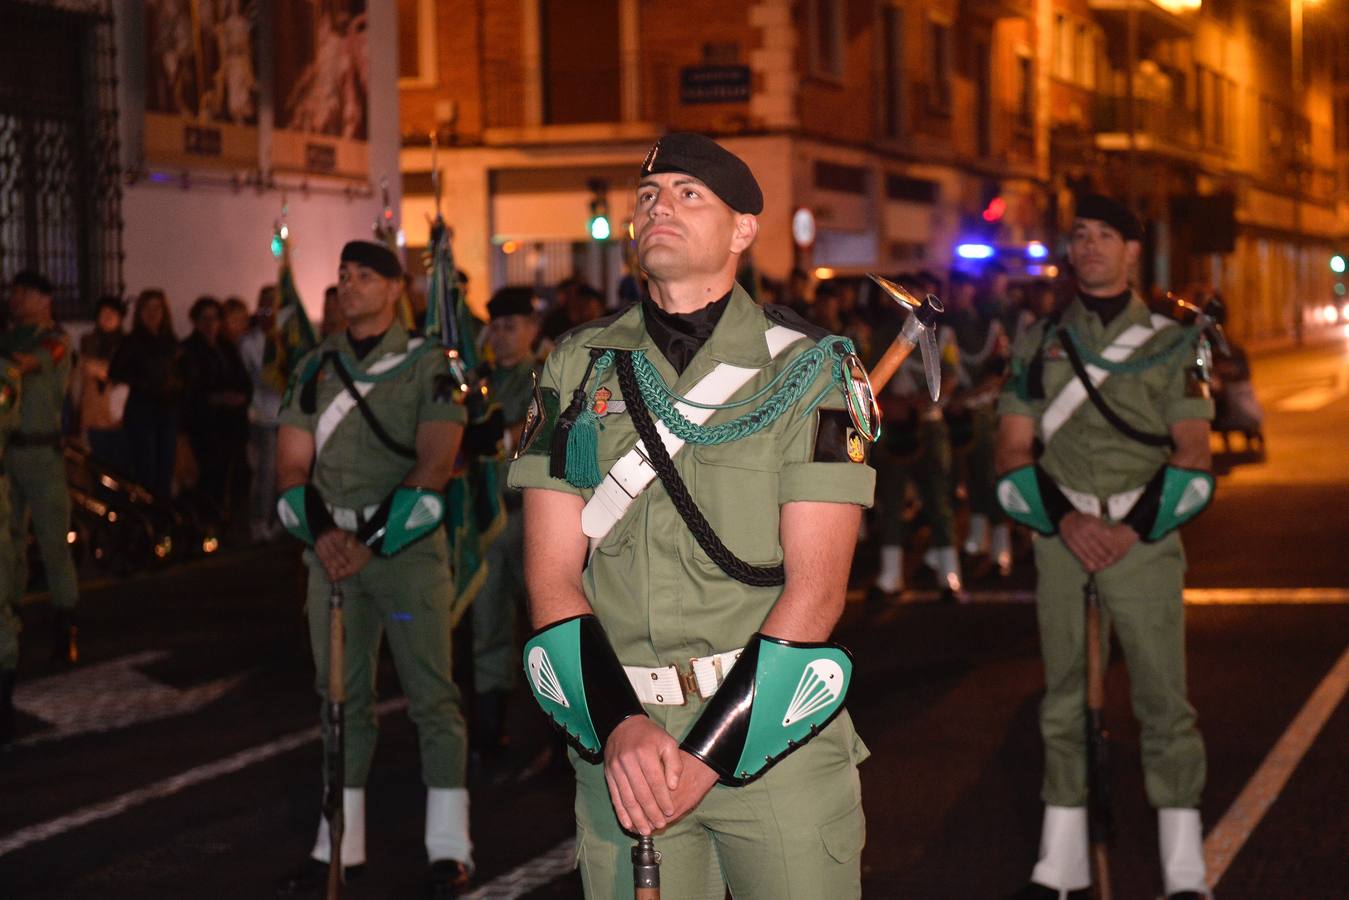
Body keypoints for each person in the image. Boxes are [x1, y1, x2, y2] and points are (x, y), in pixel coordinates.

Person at [510, 133, 875, 897]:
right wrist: (618, 726)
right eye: (648, 195)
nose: (658, 207)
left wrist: (708, 755)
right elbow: (548, 576)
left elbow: (816, 594)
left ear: (743, 228)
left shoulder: (809, 368)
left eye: (688, 193)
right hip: (623, 740)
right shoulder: (577, 366)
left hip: (771, 738)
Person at [996, 194, 1215, 900]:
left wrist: (1125, 529)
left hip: (1142, 539)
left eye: (1104, 236)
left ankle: (1184, 873)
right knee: (1063, 700)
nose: (1088, 246)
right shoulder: (1035, 343)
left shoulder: (1173, 341)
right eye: (1078, 236)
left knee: (1162, 701)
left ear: (1131, 251)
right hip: (1061, 539)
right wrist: (1067, 523)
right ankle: (1056, 867)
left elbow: (1192, 455)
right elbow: (1010, 451)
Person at [275, 240, 473, 898]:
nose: (349, 286)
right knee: (339, 703)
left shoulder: (428, 367)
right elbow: (290, 467)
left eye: (365, 276)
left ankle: (449, 845)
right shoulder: (314, 365)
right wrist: (327, 537)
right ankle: (339, 842)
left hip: (405, 558)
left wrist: (371, 542)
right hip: (329, 554)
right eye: (343, 276)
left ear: (396, 290)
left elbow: (435, 463)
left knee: (431, 699)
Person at [468, 287, 543, 765]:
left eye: (510, 326)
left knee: (550, 630)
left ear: (532, 329)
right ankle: (490, 736)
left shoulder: (548, 372)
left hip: (534, 521)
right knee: (488, 630)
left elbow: (546, 423)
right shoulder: (480, 380)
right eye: (494, 327)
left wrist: (504, 432)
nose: (499, 336)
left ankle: (567, 739)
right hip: (487, 522)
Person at [4, 271, 79, 663]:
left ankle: (66, 621)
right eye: (14, 292)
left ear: (44, 299)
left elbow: (22, 365)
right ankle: (10, 614)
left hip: (41, 453)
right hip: (7, 453)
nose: (15, 298)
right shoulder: (10, 337)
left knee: (53, 541)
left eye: (24, 293)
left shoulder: (56, 341)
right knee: (8, 539)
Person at [949, 269, 1013, 576]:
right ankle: (977, 541)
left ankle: (1002, 548)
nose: (958, 294)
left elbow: (998, 372)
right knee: (970, 478)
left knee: (989, 478)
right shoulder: (944, 326)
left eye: (963, 289)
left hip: (982, 411)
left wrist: (968, 395)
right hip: (955, 411)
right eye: (954, 289)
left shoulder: (989, 327)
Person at [179, 296, 252, 531]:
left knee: (230, 476)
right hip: (205, 427)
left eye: (215, 318)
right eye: (205, 319)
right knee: (207, 477)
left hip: (231, 426)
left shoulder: (227, 348)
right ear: (196, 321)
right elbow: (189, 389)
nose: (211, 324)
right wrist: (217, 398)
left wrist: (240, 397)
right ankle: (203, 525)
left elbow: (243, 380)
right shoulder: (189, 350)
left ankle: (224, 522)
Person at [110, 289, 184, 499]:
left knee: (165, 469)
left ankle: (163, 517)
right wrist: (145, 382)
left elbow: (182, 373)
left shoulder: (170, 341)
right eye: (147, 308)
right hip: (142, 413)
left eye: (157, 308)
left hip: (167, 411)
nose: (152, 313)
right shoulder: (132, 341)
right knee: (146, 470)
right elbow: (116, 372)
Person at [239, 285, 284, 541]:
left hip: (285, 417)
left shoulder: (288, 340)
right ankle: (258, 520)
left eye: (274, 307)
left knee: (283, 471)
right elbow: (249, 378)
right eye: (265, 307)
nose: (270, 313)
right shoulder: (249, 342)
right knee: (264, 472)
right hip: (261, 417)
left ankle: (278, 518)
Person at [77, 295, 129, 471]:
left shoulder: (128, 343)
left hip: (120, 417)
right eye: (103, 312)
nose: (108, 316)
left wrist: (104, 371)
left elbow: (126, 373)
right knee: (98, 467)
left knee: (121, 467)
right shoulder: (88, 342)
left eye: (113, 312)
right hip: (94, 414)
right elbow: (83, 372)